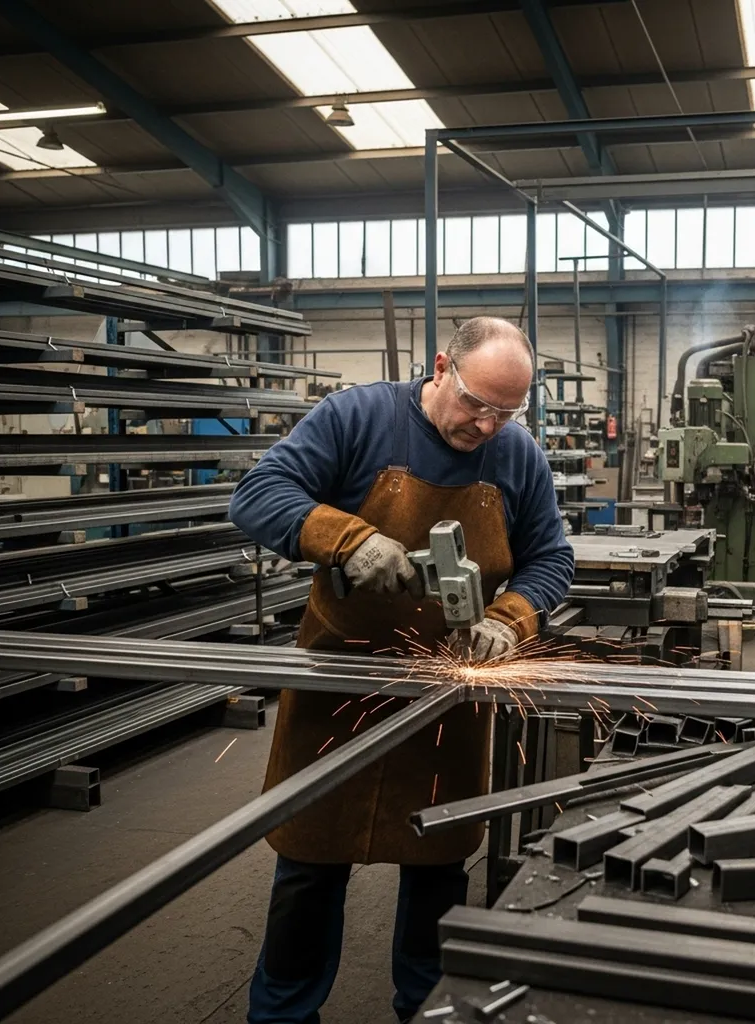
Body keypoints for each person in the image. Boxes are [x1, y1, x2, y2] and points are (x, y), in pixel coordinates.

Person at [229, 316, 574, 1024]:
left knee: (437, 865)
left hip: (447, 698)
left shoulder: (516, 456)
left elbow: (552, 560)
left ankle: (430, 1009)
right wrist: (346, 539)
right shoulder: (356, 417)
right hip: (338, 690)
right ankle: (284, 1014)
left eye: (505, 413)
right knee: (310, 863)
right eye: (476, 403)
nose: (485, 425)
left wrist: (507, 620)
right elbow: (257, 496)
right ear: (441, 366)